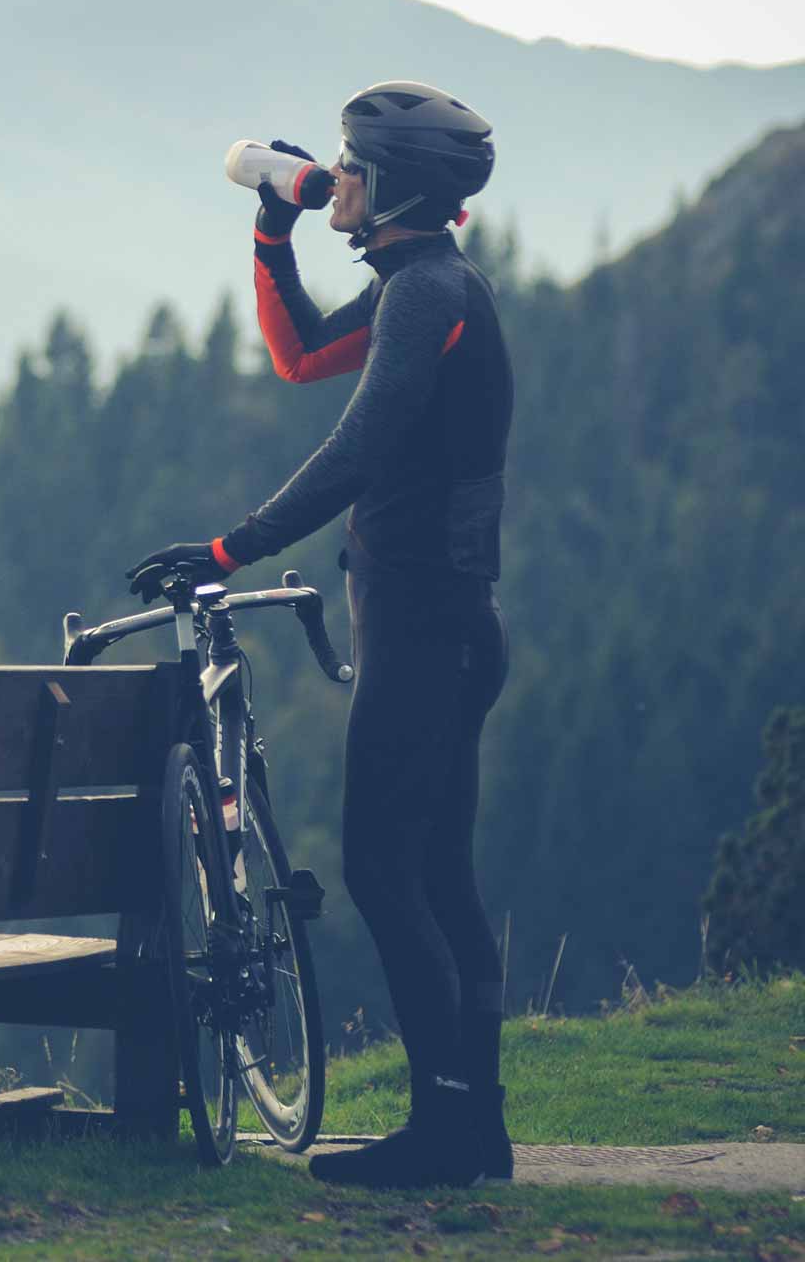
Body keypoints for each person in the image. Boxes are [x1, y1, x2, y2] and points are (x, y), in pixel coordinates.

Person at [126, 80, 514, 1188]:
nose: (334, 177)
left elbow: (355, 449)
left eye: (349, 166)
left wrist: (225, 548)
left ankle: (447, 1127)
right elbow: (296, 354)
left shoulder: (429, 295)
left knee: (389, 874)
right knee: (436, 876)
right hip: (443, 628)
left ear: (390, 185)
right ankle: (471, 1126)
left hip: (424, 629)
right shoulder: (424, 285)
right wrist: (270, 224)